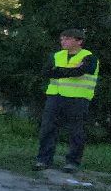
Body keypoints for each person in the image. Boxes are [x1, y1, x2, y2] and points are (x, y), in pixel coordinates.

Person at [34, 28, 99, 173]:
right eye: (62, 39)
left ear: (79, 41)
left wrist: (59, 71)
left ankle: (72, 162)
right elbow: (46, 72)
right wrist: (70, 70)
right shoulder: (56, 55)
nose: (63, 41)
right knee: (48, 128)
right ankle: (43, 160)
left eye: (68, 39)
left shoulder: (89, 57)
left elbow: (82, 71)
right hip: (55, 96)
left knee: (76, 131)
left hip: (78, 98)